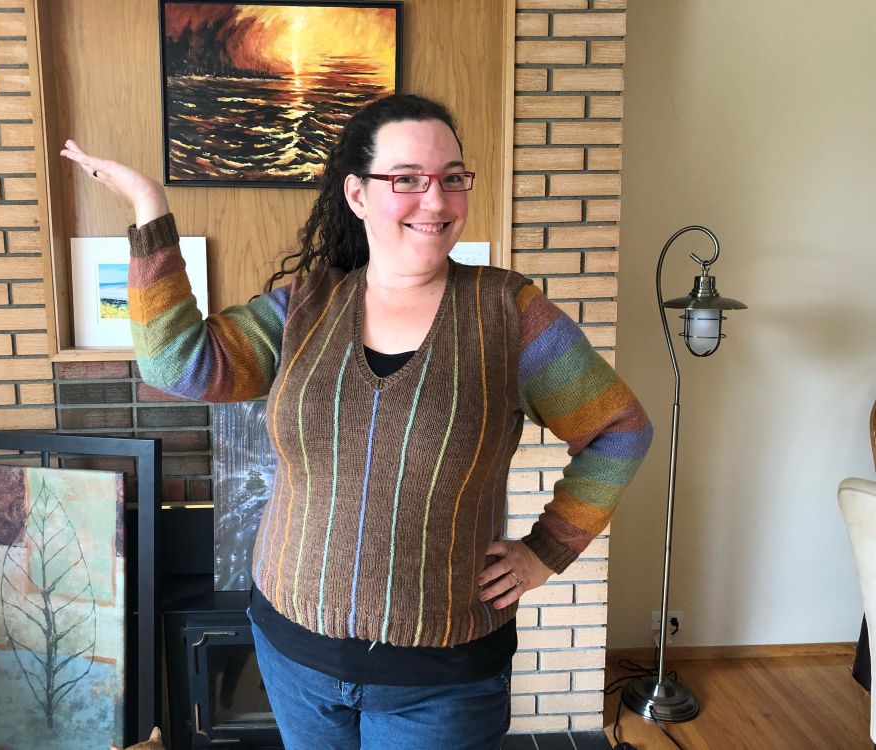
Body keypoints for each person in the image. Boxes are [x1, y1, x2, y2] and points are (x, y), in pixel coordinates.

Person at [62, 93, 652, 750]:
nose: (437, 200)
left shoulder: (508, 314)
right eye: (407, 179)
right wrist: (149, 209)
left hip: (441, 679)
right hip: (291, 656)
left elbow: (619, 429)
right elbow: (178, 364)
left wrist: (545, 553)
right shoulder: (304, 308)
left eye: (452, 178)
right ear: (358, 193)